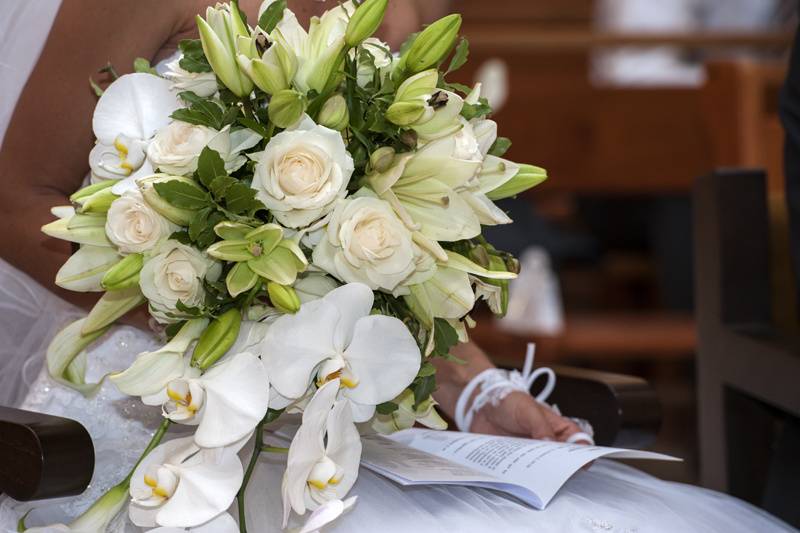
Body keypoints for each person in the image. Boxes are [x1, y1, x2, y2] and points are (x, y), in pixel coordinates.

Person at [0, 1, 794, 531]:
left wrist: (480, 388)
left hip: (340, 413)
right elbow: (16, 199)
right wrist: (219, 312)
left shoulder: (404, 11)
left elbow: (395, 248)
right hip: (145, 396)